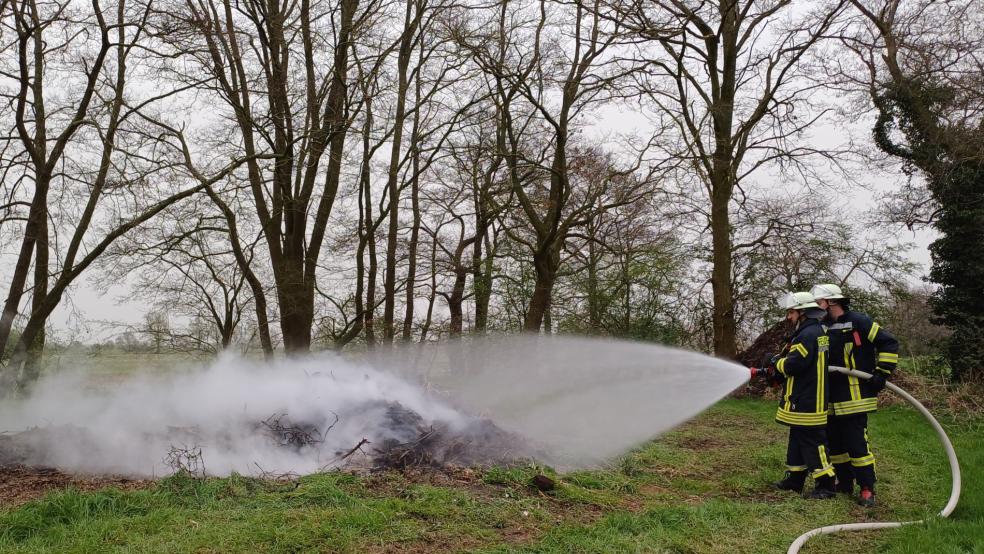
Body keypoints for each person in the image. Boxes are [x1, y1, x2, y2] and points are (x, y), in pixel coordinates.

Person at [811, 283, 900, 507]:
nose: (816, 307)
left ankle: (867, 488)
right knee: (836, 445)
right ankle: (845, 482)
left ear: (831, 302)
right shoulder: (821, 326)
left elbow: (889, 342)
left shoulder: (859, 322)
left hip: (855, 396)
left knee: (857, 445)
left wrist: (882, 372)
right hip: (829, 396)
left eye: (819, 302)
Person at [765, 291, 837, 499]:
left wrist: (775, 363)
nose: (789, 317)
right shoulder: (813, 332)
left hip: (807, 398)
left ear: (802, 313)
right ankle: (794, 480)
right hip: (805, 396)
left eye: (791, 312)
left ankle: (826, 485)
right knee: (797, 438)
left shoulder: (807, 334)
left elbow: (794, 365)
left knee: (813, 442)